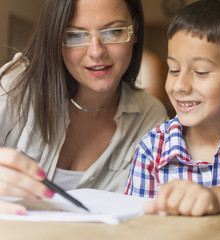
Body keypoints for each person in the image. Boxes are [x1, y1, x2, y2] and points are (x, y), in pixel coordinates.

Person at [0, 0, 168, 215]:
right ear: (55, 39)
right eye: (75, 35)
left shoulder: (149, 117)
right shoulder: (16, 86)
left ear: (134, 30)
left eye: (113, 31)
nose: (96, 52)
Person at [125, 0, 220, 216]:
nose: (180, 85)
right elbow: (134, 224)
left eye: (200, 72)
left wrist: (216, 198)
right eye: (173, 69)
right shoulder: (151, 149)